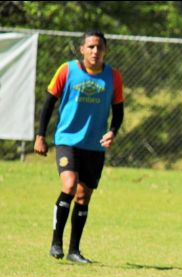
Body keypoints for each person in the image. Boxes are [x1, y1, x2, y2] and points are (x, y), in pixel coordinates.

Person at [34, 30, 124, 264]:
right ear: (82, 49)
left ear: (105, 50)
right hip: (67, 140)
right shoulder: (67, 70)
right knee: (70, 184)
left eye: (99, 47)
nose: (95, 51)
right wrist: (40, 136)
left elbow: (119, 111)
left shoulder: (113, 77)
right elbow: (48, 104)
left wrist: (112, 132)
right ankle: (56, 243)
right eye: (91, 47)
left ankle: (74, 251)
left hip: (94, 145)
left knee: (83, 198)